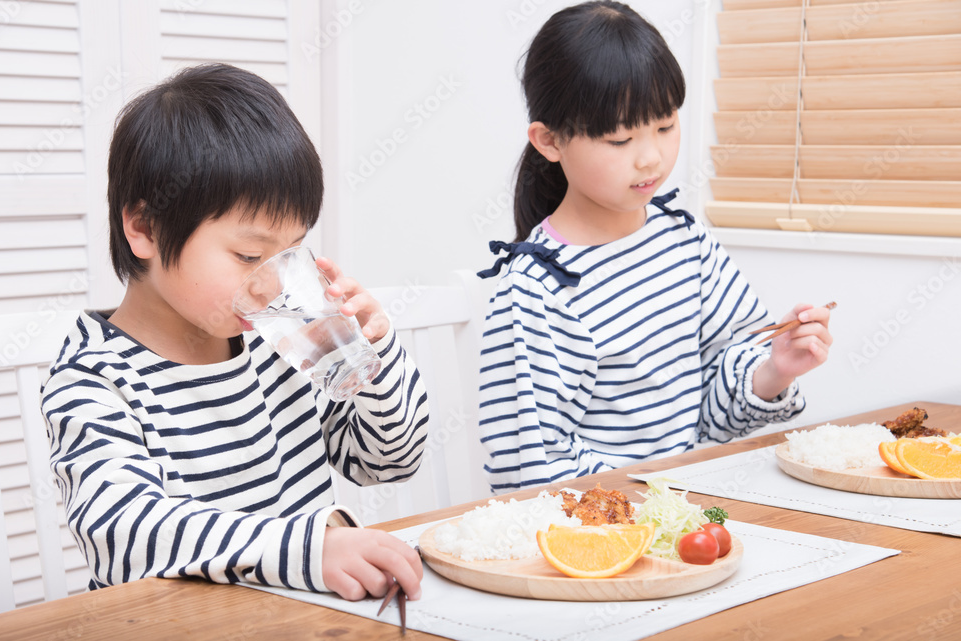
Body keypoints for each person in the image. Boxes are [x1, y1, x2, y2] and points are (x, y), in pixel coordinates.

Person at [41, 63, 427, 602]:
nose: (274, 283)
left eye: (291, 253)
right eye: (249, 255)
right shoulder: (95, 380)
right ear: (145, 229)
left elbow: (388, 459)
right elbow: (126, 536)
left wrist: (374, 351)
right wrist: (310, 550)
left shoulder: (278, 341)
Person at [477, 1, 832, 494]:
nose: (651, 158)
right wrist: (654, 501)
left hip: (686, 516)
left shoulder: (684, 240)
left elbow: (713, 416)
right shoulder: (538, 291)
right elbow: (532, 469)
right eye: (620, 139)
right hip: (599, 536)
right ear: (549, 141)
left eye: (665, 125)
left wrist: (773, 370)